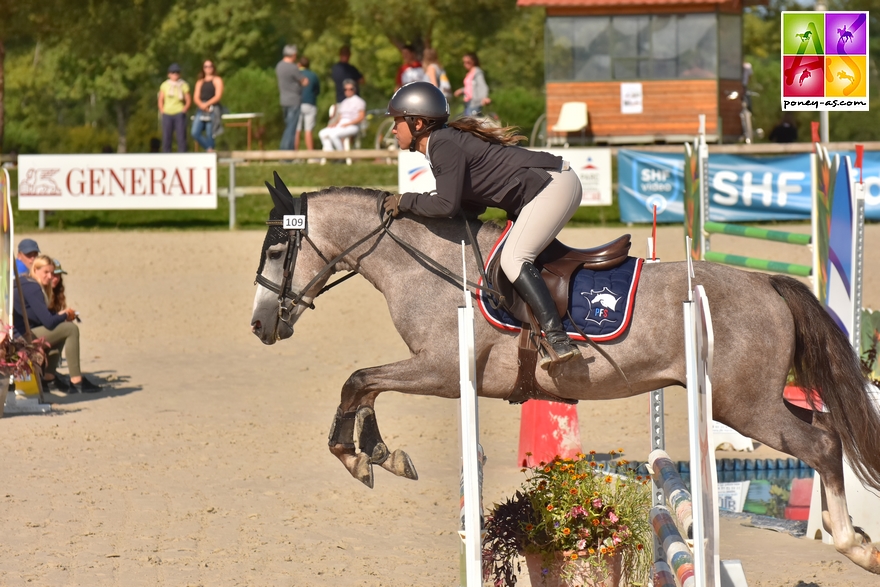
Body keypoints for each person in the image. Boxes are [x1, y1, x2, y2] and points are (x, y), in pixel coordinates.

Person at [382, 82, 582, 369]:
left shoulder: (443, 145)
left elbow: (445, 205)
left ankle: (557, 338)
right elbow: (470, 206)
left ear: (418, 123)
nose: (392, 130)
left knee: (514, 259)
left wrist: (406, 201)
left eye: (396, 121)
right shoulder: (443, 143)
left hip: (551, 186)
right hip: (547, 185)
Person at [13, 255, 101, 394]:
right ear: (35, 270)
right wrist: (65, 314)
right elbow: (48, 322)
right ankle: (76, 381)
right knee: (70, 329)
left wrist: (60, 317)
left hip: (17, 335)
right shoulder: (33, 288)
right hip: (20, 339)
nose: (49, 277)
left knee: (61, 328)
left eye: (52, 273)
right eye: (46, 272)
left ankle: (49, 378)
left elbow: (41, 318)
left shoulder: (25, 281)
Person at [318, 79, 366, 154]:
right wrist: (335, 123)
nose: (348, 91)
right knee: (322, 133)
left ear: (355, 89)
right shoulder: (344, 102)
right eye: (345, 89)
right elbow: (340, 117)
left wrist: (348, 123)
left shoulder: (359, 101)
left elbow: (361, 117)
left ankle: (341, 155)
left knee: (333, 134)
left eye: (351, 89)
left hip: (353, 125)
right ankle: (331, 154)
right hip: (341, 124)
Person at [276, 44, 309, 151]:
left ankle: (286, 151)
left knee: (287, 126)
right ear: (293, 55)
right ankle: (286, 153)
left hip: (283, 100)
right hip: (294, 100)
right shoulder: (293, 67)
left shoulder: (279, 66)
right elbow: (304, 82)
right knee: (291, 128)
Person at [191, 59, 225, 152]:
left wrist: (207, 104)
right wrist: (202, 105)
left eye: (210, 66)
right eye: (206, 66)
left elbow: (218, 96)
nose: (208, 68)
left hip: (213, 108)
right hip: (201, 108)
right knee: (195, 132)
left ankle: (210, 152)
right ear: (203, 69)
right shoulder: (200, 82)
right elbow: (196, 97)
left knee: (210, 132)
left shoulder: (217, 80)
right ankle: (209, 149)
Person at [157, 63, 191, 153]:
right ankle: (166, 155)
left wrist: (185, 109)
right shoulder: (164, 85)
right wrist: (162, 110)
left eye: (177, 72)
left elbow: (188, 99)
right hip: (167, 113)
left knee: (181, 136)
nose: (175, 74)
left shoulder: (183, 85)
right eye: (173, 72)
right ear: (169, 74)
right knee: (167, 136)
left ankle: (182, 155)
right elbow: (161, 99)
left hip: (179, 112)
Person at [295, 56, 320, 151]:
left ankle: (294, 155)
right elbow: (317, 91)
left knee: (296, 130)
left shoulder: (296, 75)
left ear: (299, 64)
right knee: (308, 130)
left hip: (297, 104)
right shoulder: (313, 75)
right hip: (310, 103)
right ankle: (311, 155)